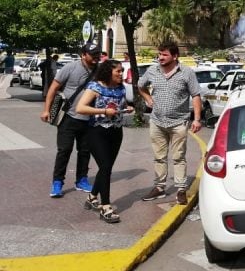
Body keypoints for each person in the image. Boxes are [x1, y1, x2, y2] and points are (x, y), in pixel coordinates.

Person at [138, 40, 203, 205]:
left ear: (175, 56)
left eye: (164, 54)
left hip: (178, 123)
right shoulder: (152, 70)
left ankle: (181, 189)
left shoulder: (187, 73)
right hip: (157, 122)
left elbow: (195, 95)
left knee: (178, 157)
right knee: (159, 157)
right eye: (159, 54)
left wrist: (196, 119)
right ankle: (159, 187)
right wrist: (148, 98)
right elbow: (140, 85)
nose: (160, 57)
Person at [75, 59, 134, 223]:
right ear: (109, 72)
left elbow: (120, 105)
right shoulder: (95, 87)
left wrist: (127, 107)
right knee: (106, 167)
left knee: (105, 168)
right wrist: (103, 111)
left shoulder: (120, 87)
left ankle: (92, 197)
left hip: (116, 131)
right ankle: (106, 206)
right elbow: (80, 108)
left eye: (122, 71)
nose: (121, 74)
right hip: (96, 132)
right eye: (118, 71)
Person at [41, 42, 101, 197]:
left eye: (98, 54)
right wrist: (46, 110)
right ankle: (57, 182)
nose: (96, 57)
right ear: (83, 55)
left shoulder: (99, 70)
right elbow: (53, 88)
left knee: (85, 151)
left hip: (89, 118)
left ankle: (81, 179)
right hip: (68, 117)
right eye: (93, 54)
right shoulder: (70, 68)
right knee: (64, 150)